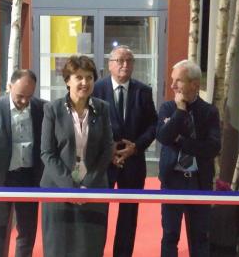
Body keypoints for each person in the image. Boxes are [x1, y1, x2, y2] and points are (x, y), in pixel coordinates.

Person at [40, 55, 114, 257]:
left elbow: (107, 149)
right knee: (58, 247)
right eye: (79, 77)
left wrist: (86, 186)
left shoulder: (102, 108)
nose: (85, 83)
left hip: (94, 188)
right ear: (67, 80)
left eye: (89, 77)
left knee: (90, 247)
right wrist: (71, 188)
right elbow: (47, 152)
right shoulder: (52, 109)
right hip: (57, 189)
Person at [93, 45, 157, 257]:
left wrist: (136, 147)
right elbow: (88, 124)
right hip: (103, 162)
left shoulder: (143, 91)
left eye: (129, 60)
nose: (124, 65)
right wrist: (107, 150)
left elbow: (153, 125)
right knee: (98, 212)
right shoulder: (96, 89)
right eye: (119, 60)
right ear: (110, 65)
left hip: (134, 161)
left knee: (129, 214)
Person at [0, 69, 45, 257]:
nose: (24, 101)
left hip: (29, 178)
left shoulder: (42, 108)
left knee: (27, 231)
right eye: (20, 96)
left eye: (29, 96)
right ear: (9, 87)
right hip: (0, 178)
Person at [157, 60, 221, 257]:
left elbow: (212, 148)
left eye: (178, 81)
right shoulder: (168, 108)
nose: (173, 86)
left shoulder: (209, 112)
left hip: (198, 182)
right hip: (172, 180)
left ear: (194, 84)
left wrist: (181, 140)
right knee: (169, 235)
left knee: (200, 237)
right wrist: (179, 112)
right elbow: (163, 137)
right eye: (172, 80)